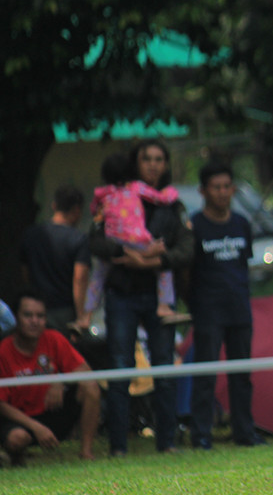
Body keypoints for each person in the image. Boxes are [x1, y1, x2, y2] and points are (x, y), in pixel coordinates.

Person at [89, 138, 193, 456]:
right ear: (136, 162)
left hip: (160, 296)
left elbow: (186, 249)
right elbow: (95, 241)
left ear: (166, 165)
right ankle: (118, 446)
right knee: (121, 368)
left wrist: (152, 261)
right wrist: (126, 253)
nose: (153, 164)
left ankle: (167, 442)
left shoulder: (172, 205)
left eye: (159, 159)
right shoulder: (115, 196)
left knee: (163, 368)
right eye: (146, 158)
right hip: (122, 294)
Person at [187, 162, 261, 449]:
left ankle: (245, 432)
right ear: (203, 191)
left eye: (226, 187)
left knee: (242, 374)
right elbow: (187, 272)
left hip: (239, 307)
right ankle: (201, 435)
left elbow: (244, 264)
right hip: (208, 309)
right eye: (215, 188)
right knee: (205, 373)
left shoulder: (241, 223)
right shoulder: (195, 226)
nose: (222, 193)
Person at [78, 152, 184, 329]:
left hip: (114, 241)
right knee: (164, 269)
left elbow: (94, 211)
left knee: (98, 276)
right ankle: (165, 306)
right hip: (138, 238)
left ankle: (85, 316)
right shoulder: (136, 187)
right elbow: (161, 198)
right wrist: (172, 192)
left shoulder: (102, 192)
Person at [0, 292, 100, 466]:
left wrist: (61, 380)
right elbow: (1, 404)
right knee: (17, 438)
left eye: (40, 316)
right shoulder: (3, 350)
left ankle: (86, 453)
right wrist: (35, 427)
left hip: (53, 412)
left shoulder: (54, 339)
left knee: (90, 387)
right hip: (20, 419)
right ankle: (16, 457)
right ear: (16, 318)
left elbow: (86, 373)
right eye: (28, 315)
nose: (34, 321)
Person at [19, 185, 90, 332]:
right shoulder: (79, 239)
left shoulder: (30, 234)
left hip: (36, 307)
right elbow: (80, 278)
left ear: (54, 205)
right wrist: (80, 315)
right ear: (77, 210)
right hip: (64, 309)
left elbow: (25, 273)